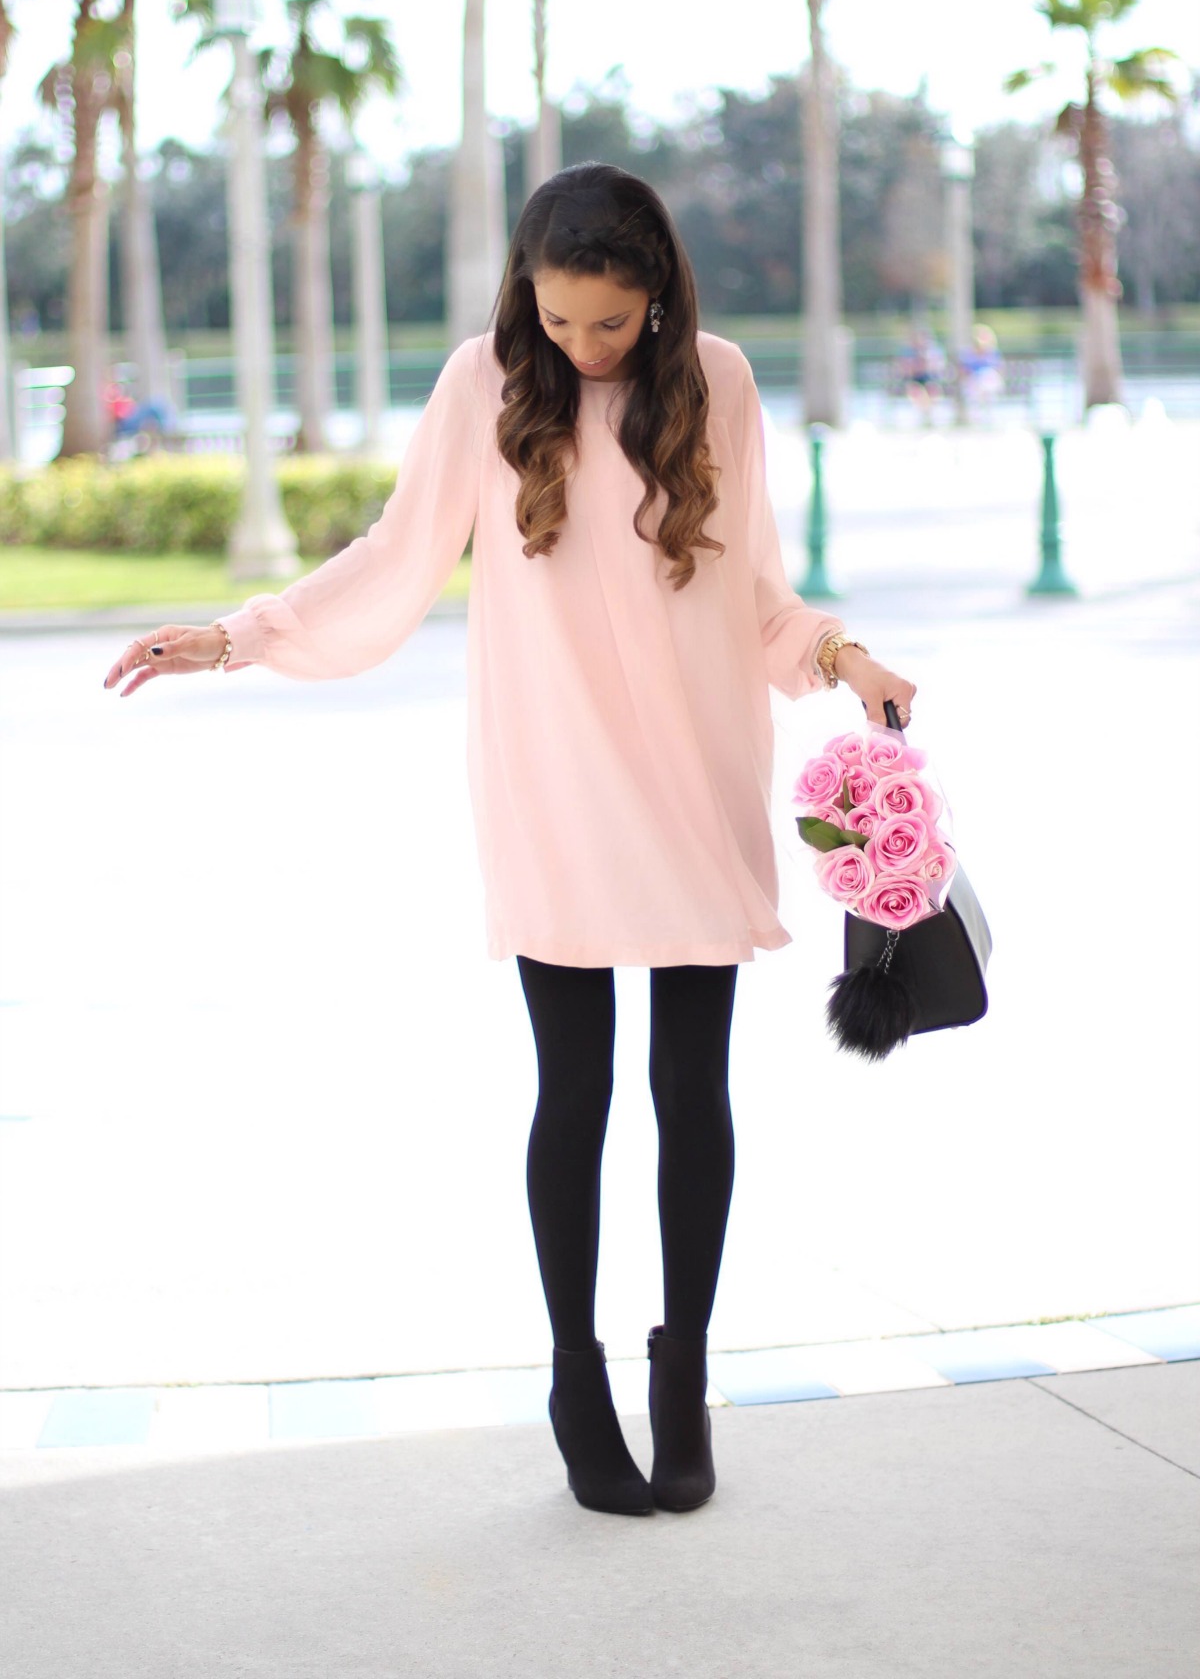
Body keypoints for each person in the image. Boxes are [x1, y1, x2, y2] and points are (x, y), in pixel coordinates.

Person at [102, 164, 916, 1517]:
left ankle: (682, 1375)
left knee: (691, 1090)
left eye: (608, 325)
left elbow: (755, 585)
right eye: (559, 323)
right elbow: (393, 555)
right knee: (577, 1091)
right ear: (524, 302)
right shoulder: (487, 382)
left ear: (656, 301)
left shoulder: (715, 381)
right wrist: (236, 637)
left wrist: (846, 654)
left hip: (695, 772)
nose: (583, 350)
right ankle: (575, 1377)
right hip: (549, 778)